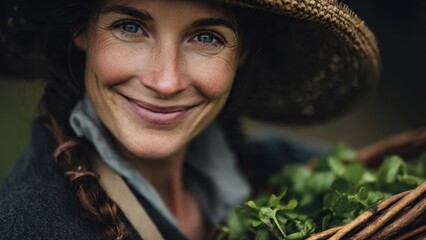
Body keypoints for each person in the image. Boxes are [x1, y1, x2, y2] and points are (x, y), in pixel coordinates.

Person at [0, 0, 380, 239]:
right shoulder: (28, 224)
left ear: (242, 52)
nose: (166, 82)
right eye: (130, 27)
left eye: (207, 38)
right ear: (81, 29)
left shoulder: (281, 169)